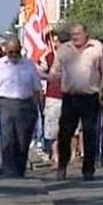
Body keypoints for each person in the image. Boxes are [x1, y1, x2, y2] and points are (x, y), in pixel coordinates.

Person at [51, 23, 103, 181]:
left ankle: (88, 169)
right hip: (70, 97)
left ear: (86, 34)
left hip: (90, 97)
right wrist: (51, 78)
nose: (75, 36)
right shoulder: (64, 50)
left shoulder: (97, 48)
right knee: (65, 134)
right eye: (72, 34)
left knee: (90, 133)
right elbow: (55, 72)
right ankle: (62, 166)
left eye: (78, 33)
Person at [0, 38, 41, 178]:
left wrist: (35, 106)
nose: (13, 55)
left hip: (25, 104)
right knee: (8, 138)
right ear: (6, 51)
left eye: (16, 52)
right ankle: (8, 170)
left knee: (23, 140)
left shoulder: (29, 65)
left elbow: (36, 88)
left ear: (20, 50)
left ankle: (19, 168)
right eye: (10, 52)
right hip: (5, 104)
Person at [39, 31, 66, 168]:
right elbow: (39, 71)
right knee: (54, 130)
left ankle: (67, 156)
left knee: (68, 130)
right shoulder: (49, 57)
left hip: (69, 97)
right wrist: (48, 75)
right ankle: (56, 157)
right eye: (55, 41)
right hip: (53, 97)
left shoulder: (72, 58)